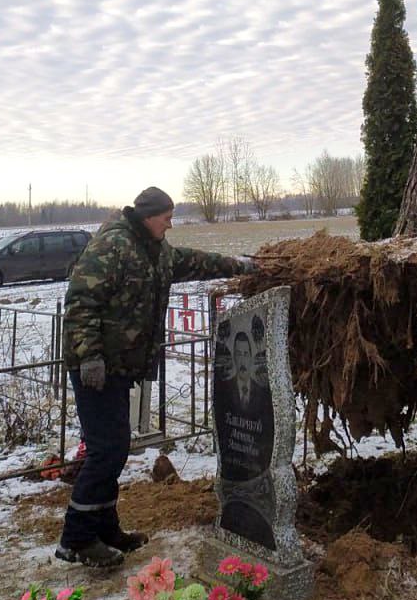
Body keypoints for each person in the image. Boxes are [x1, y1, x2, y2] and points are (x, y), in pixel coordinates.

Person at [56, 186, 257, 569]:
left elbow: (196, 262)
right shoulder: (112, 247)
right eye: (166, 215)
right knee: (105, 450)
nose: (171, 221)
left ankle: (106, 528)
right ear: (148, 215)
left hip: (119, 367)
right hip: (96, 369)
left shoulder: (156, 252)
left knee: (114, 448)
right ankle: (76, 538)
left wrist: (240, 266)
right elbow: (81, 302)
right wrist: (90, 357)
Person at [213, 330, 274, 480]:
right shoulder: (225, 388)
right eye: (239, 354)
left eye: (246, 354)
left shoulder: (262, 390)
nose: (242, 361)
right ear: (234, 356)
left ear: (251, 357)